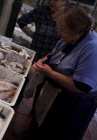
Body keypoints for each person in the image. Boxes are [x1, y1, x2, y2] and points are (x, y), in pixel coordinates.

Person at [23, 5, 97, 140]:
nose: (58, 33)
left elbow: (81, 86)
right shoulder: (71, 37)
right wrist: (42, 60)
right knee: (39, 122)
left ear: (76, 32)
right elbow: (55, 54)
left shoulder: (93, 48)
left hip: (72, 101)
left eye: (61, 30)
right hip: (54, 91)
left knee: (56, 132)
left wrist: (50, 73)